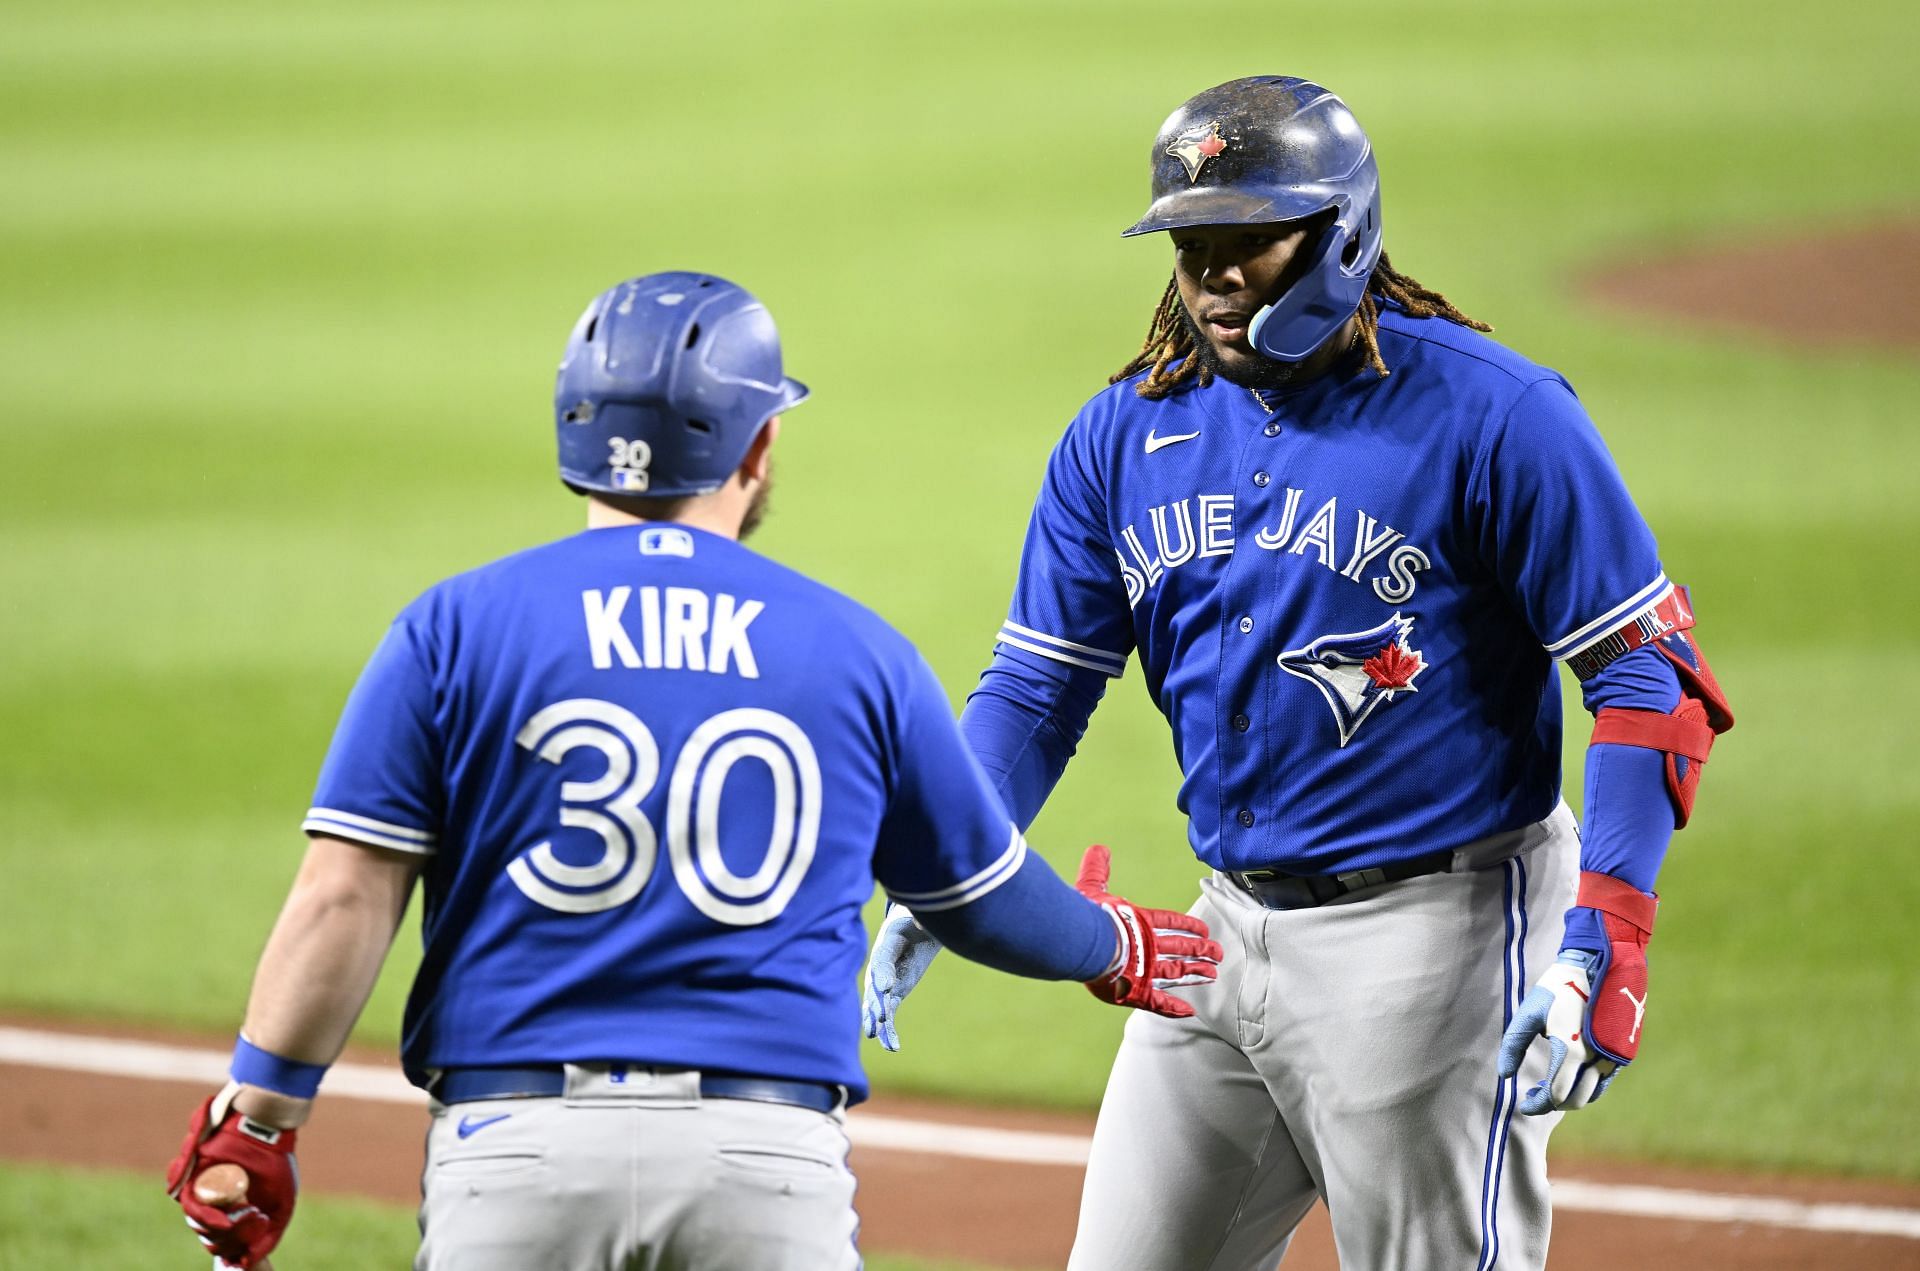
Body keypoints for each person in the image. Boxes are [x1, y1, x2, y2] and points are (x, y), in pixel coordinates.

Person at [162, 271, 1221, 1271]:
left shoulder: (452, 629)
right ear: (759, 444)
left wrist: (258, 1116)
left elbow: (344, 891)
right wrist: (1111, 940)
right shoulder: (852, 650)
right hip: (763, 1168)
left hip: (515, 1152)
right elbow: (979, 899)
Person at [860, 76, 1733, 1269]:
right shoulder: (1121, 435)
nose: (1214, 274)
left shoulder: (1497, 416)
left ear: (1342, 232)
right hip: (1222, 935)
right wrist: (955, 856)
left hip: (1440, 940)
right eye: (1191, 243)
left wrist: (1604, 936)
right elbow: (1035, 690)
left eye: (1249, 241)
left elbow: (1649, 683)